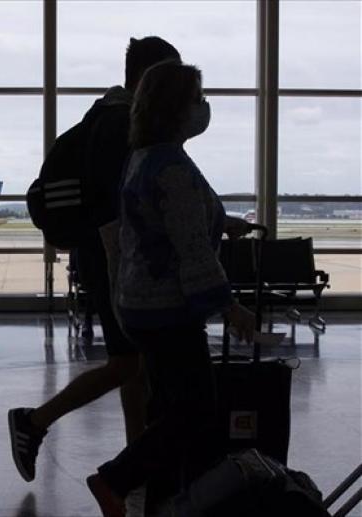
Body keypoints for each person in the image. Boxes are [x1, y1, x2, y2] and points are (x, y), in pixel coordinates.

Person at [85, 60, 256, 517]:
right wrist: (230, 307)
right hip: (168, 311)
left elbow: (162, 225)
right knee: (197, 411)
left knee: (168, 411)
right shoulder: (174, 168)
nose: (204, 107)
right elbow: (193, 250)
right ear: (176, 108)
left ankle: (164, 503)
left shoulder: (144, 157)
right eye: (197, 99)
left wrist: (219, 221)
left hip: (139, 305)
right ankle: (115, 478)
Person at [7, 37, 181, 483]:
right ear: (150, 79)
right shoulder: (121, 126)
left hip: (107, 258)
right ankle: (35, 422)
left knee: (131, 364)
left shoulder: (105, 119)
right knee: (128, 363)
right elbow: (119, 207)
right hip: (113, 260)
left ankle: (136, 458)